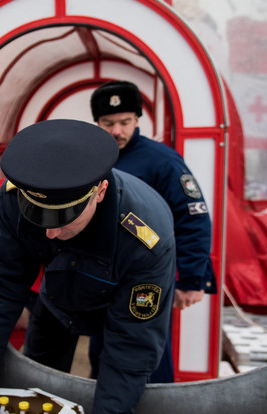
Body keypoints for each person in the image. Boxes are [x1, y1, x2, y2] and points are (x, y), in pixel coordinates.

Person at [0, 119, 176, 414]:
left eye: (63, 219)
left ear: (100, 192)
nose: (49, 233)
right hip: (56, 298)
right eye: (38, 217)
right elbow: (3, 286)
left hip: (117, 301)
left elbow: (132, 345)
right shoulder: (14, 199)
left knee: (120, 386)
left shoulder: (145, 240)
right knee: (40, 386)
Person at [88, 80, 217, 381]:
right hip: (101, 279)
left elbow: (193, 219)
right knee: (102, 355)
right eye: (108, 123)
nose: (117, 131)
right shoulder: (91, 159)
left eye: (125, 122)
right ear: (97, 122)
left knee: (147, 358)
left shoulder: (163, 161)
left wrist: (192, 278)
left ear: (137, 120)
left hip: (148, 280)